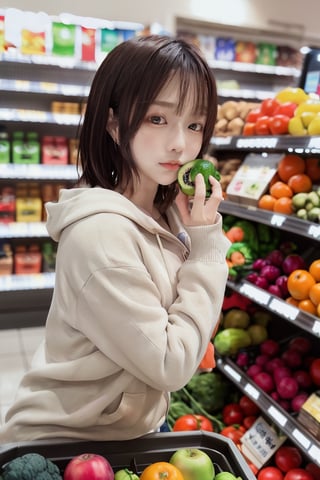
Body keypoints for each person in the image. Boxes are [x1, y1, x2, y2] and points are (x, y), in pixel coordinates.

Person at [0, 34, 230, 443]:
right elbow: (170, 364)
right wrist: (207, 245)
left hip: (121, 430)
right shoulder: (102, 234)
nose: (180, 143)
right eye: (157, 119)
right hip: (69, 443)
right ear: (112, 122)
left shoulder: (162, 210)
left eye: (194, 124)